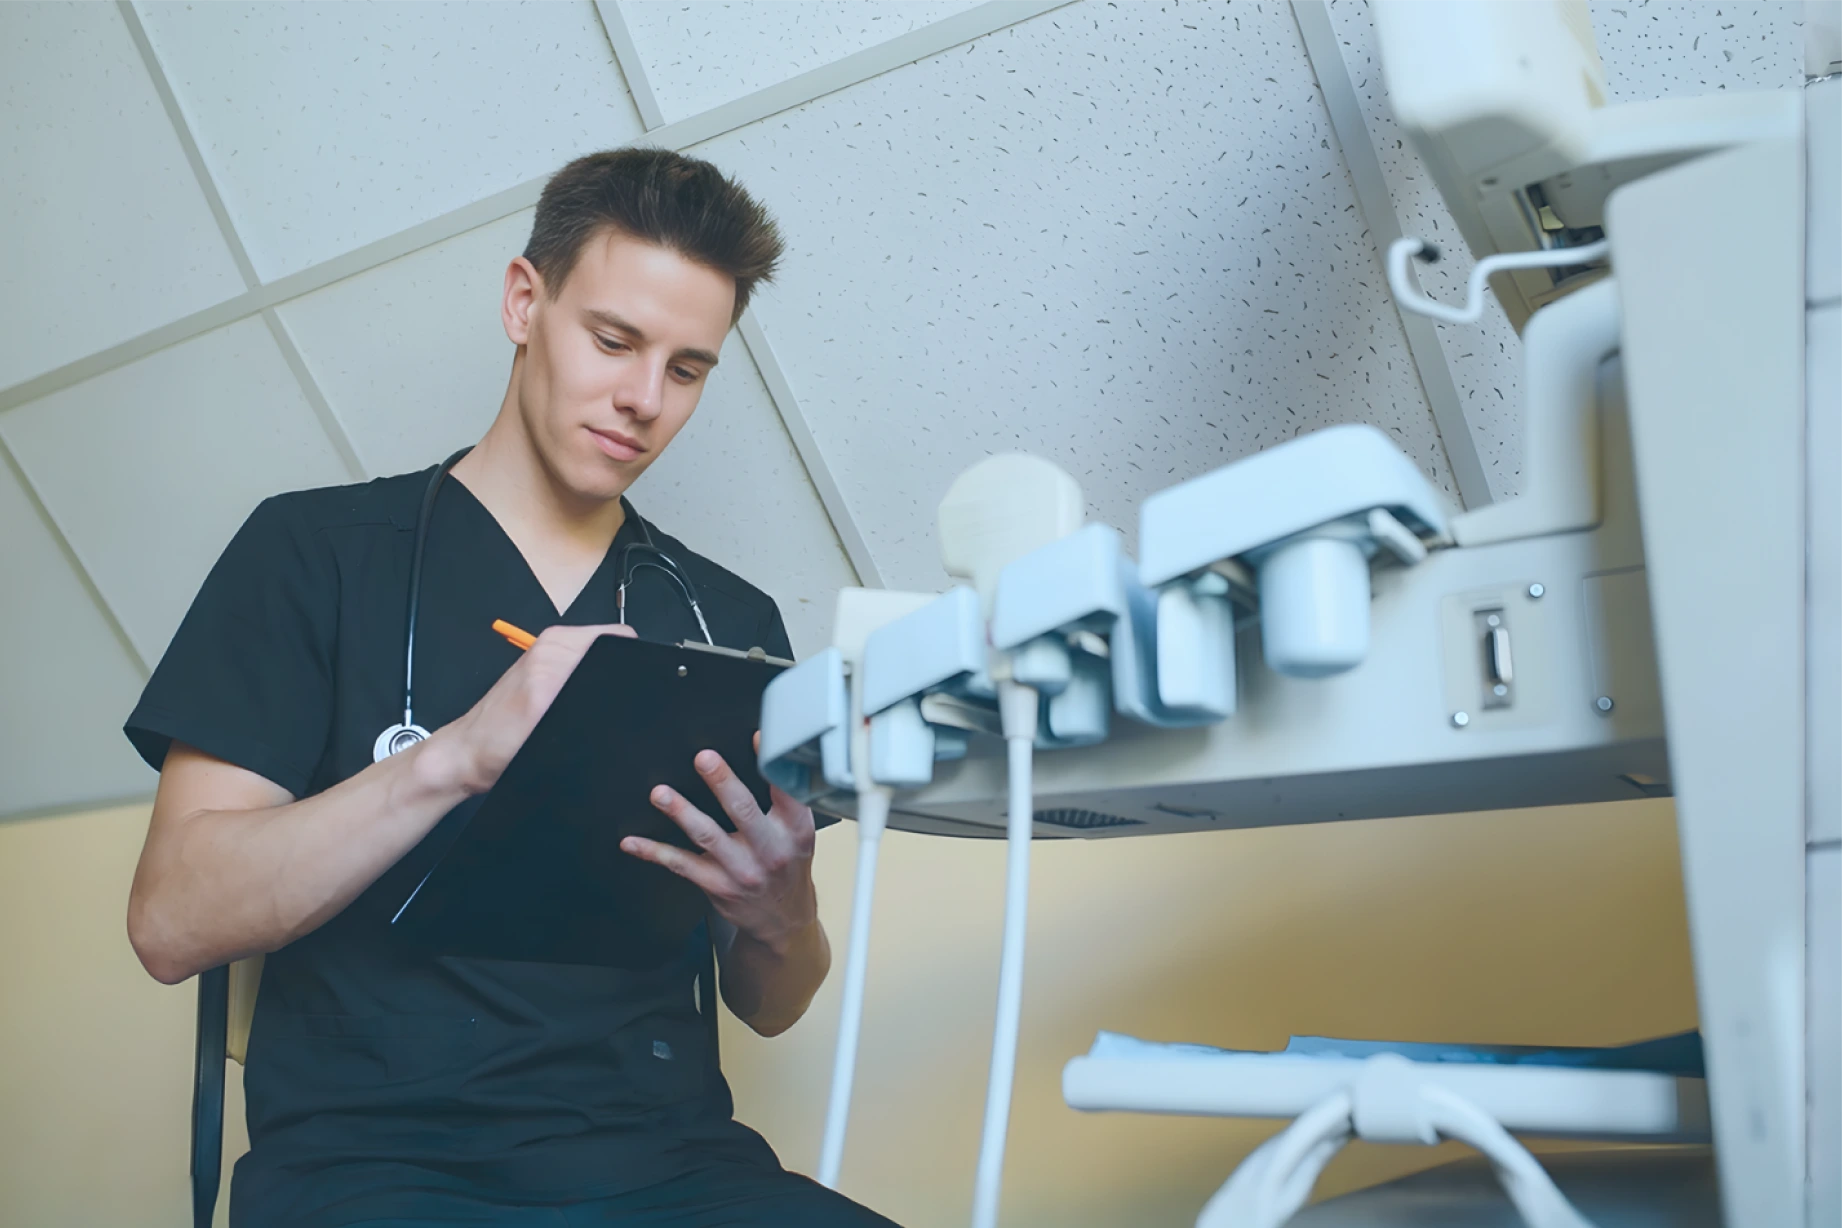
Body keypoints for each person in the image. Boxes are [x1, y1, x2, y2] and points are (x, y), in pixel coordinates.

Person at [124, 148, 897, 1228]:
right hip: (375, 1169)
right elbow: (170, 920)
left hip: (671, 1166)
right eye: (614, 340)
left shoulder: (727, 626)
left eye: (687, 369)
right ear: (523, 302)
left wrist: (780, 915)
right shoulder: (314, 556)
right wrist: (456, 756)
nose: (642, 400)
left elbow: (773, 1004)